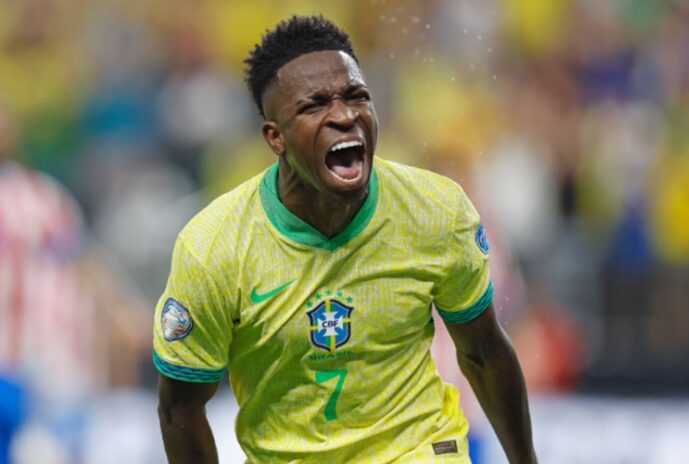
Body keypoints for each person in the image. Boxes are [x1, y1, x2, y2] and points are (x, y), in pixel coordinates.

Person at [154, 15, 537, 464]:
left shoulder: (435, 210)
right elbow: (180, 407)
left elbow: (485, 352)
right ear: (275, 138)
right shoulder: (214, 249)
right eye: (314, 105)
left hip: (420, 450)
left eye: (357, 96)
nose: (344, 115)